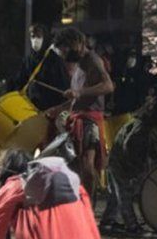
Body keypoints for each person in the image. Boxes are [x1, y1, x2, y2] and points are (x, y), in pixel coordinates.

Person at [46, 28, 114, 199]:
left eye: (64, 49)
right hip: (78, 118)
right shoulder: (80, 65)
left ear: (75, 44)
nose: (63, 55)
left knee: (87, 165)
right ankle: (80, 203)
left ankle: (88, 206)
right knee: (76, 165)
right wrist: (59, 108)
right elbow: (78, 98)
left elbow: (108, 86)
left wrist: (79, 92)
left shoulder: (92, 59)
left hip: (89, 120)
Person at [101, 97, 157, 233]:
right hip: (121, 162)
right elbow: (128, 145)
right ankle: (131, 225)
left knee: (116, 194)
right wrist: (137, 166)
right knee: (124, 194)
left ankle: (108, 221)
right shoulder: (142, 127)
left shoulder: (143, 123)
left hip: (118, 159)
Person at [108, 49, 148, 116]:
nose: (132, 59)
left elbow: (141, 93)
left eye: (134, 57)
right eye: (130, 56)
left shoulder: (140, 75)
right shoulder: (119, 72)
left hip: (133, 109)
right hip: (119, 109)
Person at [10, 24, 47, 92]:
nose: (35, 39)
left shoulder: (52, 59)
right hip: (29, 100)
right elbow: (20, 80)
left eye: (39, 36)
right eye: (33, 36)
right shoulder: (28, 60)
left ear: (44, 38)